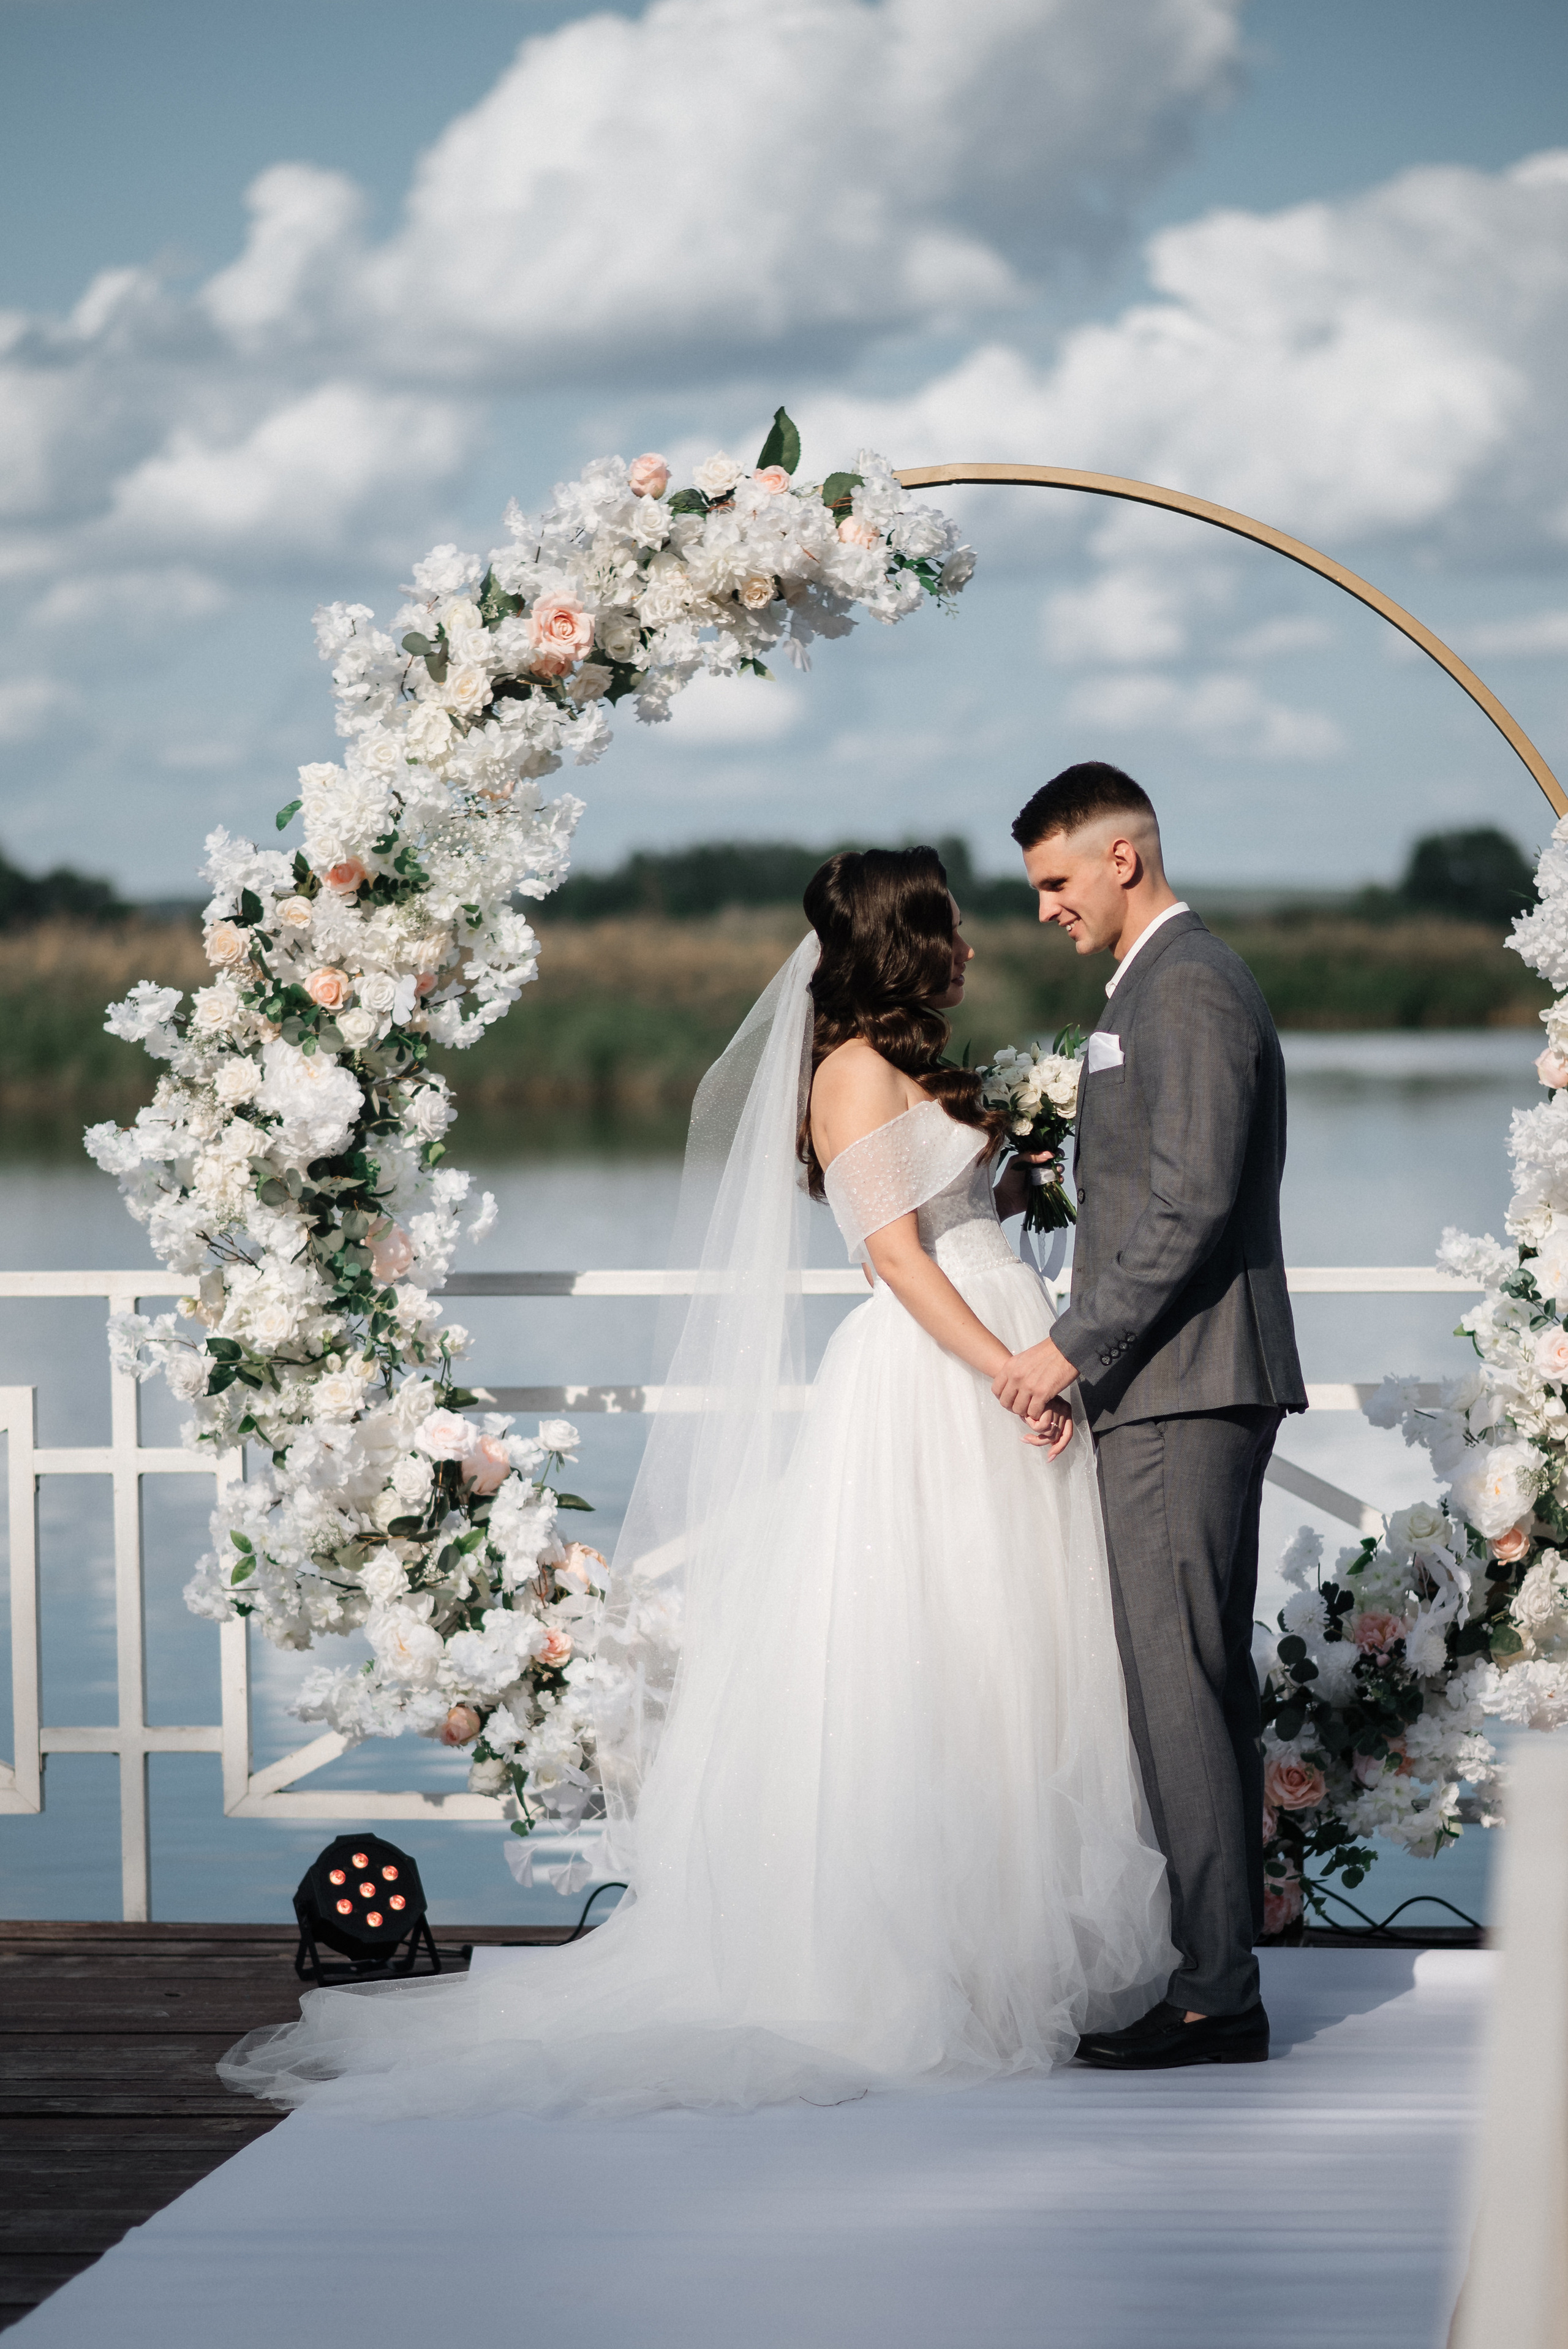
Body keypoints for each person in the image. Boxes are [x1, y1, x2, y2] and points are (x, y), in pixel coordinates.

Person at [220, 845, 1174, 2119]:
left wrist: (1010, 1184)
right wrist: (1008, 1369)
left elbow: (943, 1220)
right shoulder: (849, 1070)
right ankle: (923, 1964)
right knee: (934, 1647)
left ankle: (1008, 1951)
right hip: (943, 1374)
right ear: (900, 940)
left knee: (1006, 1649)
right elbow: (893, 1259)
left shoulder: (905, 1065)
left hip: (993, 1343)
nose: (968, 947)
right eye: (946, 926)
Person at [992, 763, 1306, 2070]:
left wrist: (1064, 1348)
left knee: (1176, 1687)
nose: (1046, 910)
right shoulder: (1153, 985)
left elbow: (1191, 1201)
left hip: (1185, 1384)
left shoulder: (1186, 984)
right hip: (1181, 1382)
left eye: (1056, 881)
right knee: (1192, 1684)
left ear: (1122, 857)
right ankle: (1216, 1973)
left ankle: (1215, 1993)